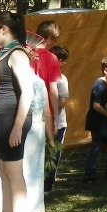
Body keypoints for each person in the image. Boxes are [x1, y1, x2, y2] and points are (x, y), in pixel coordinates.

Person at [0, 11, 34, 212]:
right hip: (2, 120)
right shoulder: (3, 54)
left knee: (14, 170)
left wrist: (18, 126)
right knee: (3, 168)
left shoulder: (17, 54)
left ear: (4, 29)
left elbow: (28, 92)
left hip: (12, 120)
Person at [22, 71, 54, 212]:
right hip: (37, 127)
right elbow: (47, 112)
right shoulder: (39, 82)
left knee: (20, 167)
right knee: (35, 168)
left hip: (23, 126)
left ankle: (21, 204)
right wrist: (51, 139)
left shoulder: (18, 79)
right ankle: (35, 205)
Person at [44, 45, 69, 194]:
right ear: (59, 61)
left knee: (49, 154)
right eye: (64, 61)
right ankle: (46, 184)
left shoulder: (43, 76)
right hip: (55, 121)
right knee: (52, 154)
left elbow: (62, 102)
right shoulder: (60, 78)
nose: (65, 64)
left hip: (51, 121)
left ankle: (46, 184)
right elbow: (62, 102)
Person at [31, 20, 62, 123]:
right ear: (49, 38)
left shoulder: (25, 52)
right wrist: (56, 117)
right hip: (43, 110)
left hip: (23, 107)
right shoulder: (51, 58)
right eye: (54, 39)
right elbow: (53, 90)